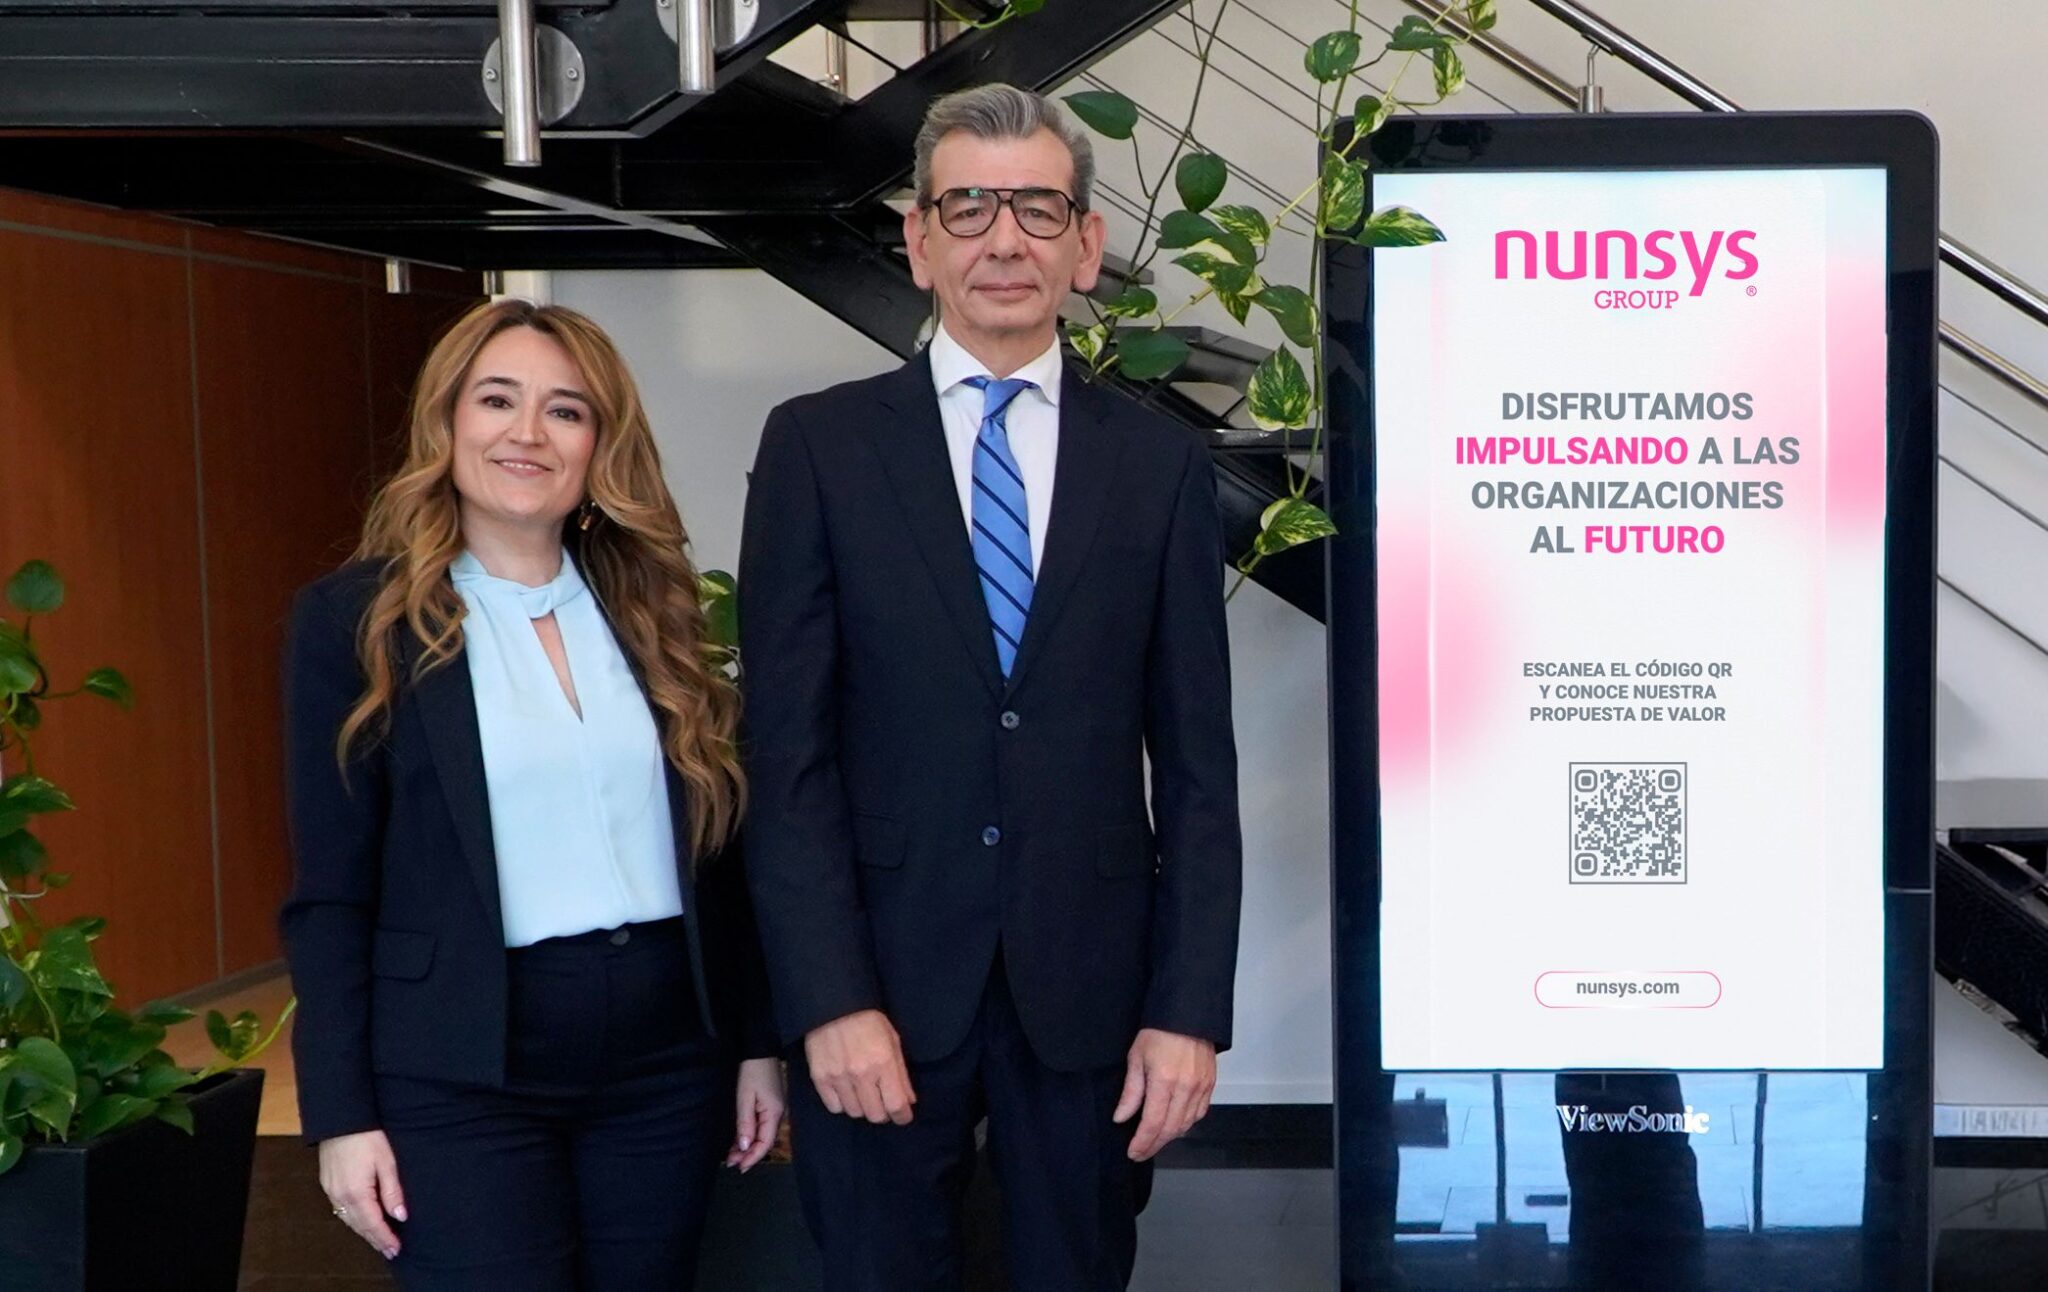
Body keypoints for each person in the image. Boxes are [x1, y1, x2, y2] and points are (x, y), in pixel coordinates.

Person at [739, 83, 1243, 1291]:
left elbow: (1196, 768)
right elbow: (785, 757)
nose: (1003, 239)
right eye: (968, 207)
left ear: (1086, 246)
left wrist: (1187, 1009)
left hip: (1091, 998)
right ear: (917, 242)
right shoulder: (818, 447)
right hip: (880, 988)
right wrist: (826, 998)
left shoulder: (1161, 466)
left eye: (1036, 209)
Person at [279, 298, 783, 1290]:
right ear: (447, 421)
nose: (528, 433)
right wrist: (340, 1114)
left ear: (600, 443)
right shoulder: (354, 622)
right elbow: (329, 891)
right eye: (497, 399)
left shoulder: (653, 609)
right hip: (459, 1066)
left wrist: (756, 1044)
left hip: (665, 1063)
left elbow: (719, 851)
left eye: (565, 410)